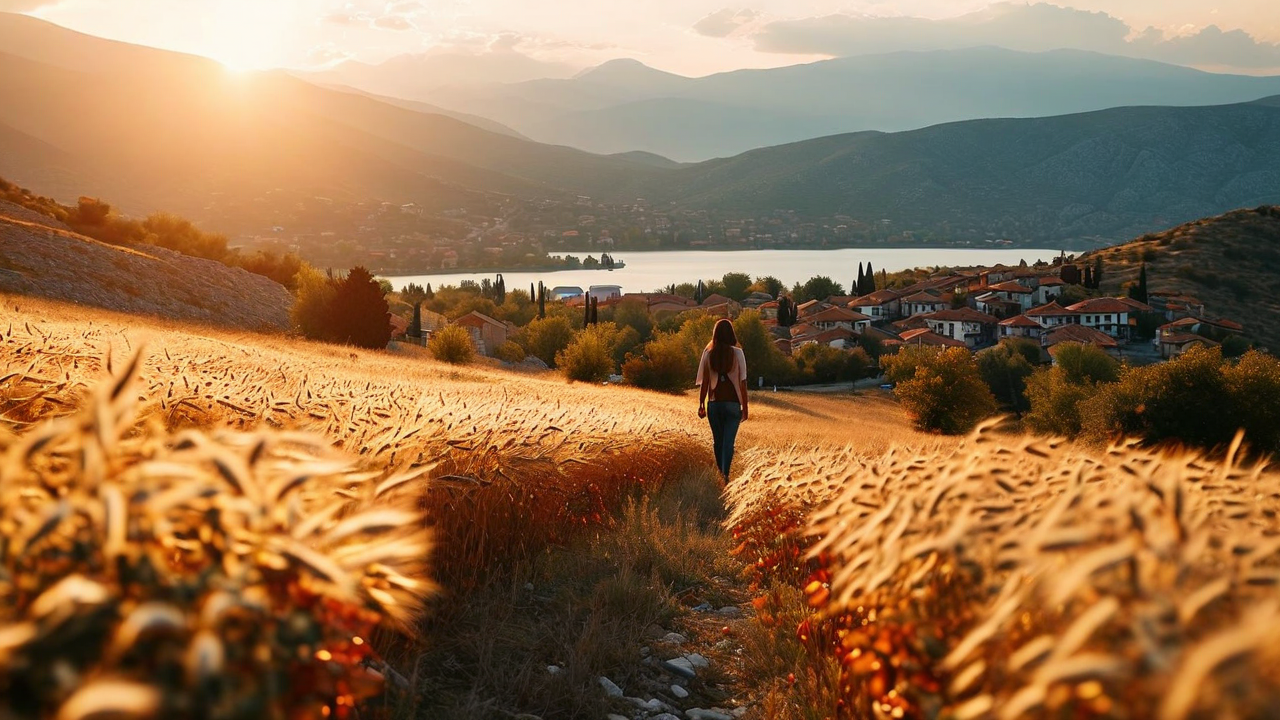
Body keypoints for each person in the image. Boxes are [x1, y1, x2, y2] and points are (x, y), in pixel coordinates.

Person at [696, 318, 749, 480]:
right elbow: (743, 382)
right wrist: (745, 408)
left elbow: (704, 382)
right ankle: (725, 474)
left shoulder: (709, 354)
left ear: (715, 334)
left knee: (717, 442)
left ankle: (721, 474)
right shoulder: (738, 353)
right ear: (731, 334)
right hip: (733, 405)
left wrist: (701, 404)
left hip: (714, 404)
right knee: (728, 443)